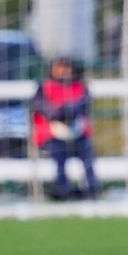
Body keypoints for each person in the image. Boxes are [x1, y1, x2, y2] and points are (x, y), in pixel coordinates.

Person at [33, 57, 100, 199]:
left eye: (66, 67)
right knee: (59, 156)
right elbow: (40, 106)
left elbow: (84, 105)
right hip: (51, 134)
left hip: (78, 133)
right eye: (60, 67)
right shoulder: (44, 86)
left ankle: (93, 190)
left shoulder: (80, 86)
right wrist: (58, 113)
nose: (63, 71)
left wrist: (71, 111)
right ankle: (62, 191)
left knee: (88, 154)